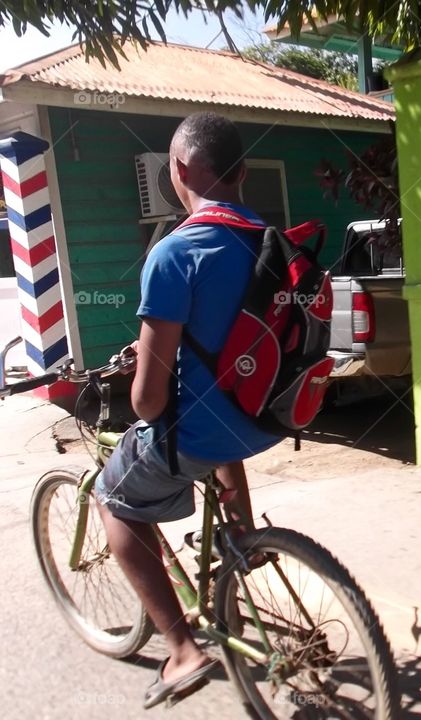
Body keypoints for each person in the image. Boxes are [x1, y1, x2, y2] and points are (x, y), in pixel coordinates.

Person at [94, 112, 282, 708]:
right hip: (270, 420)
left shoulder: (176, 252)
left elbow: (148, 400)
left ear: (177, 170)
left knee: (113, 499)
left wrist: (140, 387)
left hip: (205, 433)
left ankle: (181, 650)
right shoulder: (271, 237)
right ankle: (243, 538)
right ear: (242, 172)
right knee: (215, 422)